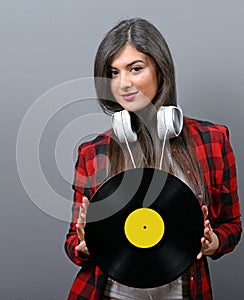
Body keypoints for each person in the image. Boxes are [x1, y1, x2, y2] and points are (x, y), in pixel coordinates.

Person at [64, 18, 242, 300]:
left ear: (161, 70)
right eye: (113, 73)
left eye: (135, 68)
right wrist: (84, 245)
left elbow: (232, 225)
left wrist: (212, 242)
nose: (123, 83)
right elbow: (73, 241)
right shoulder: (93, 152)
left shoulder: (213, 141)